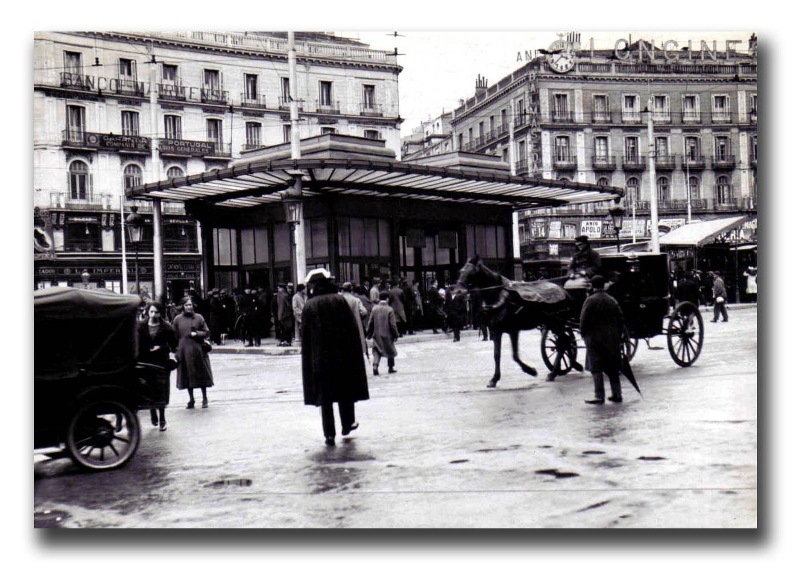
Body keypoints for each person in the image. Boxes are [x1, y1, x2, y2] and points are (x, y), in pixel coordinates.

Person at [301, 268, 369, 446]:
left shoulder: (309, 305)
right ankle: (347, 425)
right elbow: (351, 329)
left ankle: (329, 434)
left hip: (319, 361)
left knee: (325, 399)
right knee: (345, 393)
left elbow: (305, 338)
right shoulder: (339, 300)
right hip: (342, 358)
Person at [580, 275, 625, 405]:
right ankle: (617, 394)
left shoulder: (590, 300)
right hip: (611, 338)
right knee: (612, 367)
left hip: (594, 338)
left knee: (596, 368)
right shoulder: (611, 299)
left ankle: (599, 396)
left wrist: (584, 335)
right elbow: (621, 318)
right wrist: (618, 335)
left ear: (593, 286)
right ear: (604, 285)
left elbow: (584, 320)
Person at [138, 302, 177, 431]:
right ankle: (152, 412)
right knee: (148, 389)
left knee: (161, 390)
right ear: (147, 312)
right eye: (151, 312)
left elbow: (173, 345)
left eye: (156, 312)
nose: (154, 315)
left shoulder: (167, 328)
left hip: (161, 363)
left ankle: (162, 418)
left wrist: (161, 347)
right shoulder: (140, 327)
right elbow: (136, 344)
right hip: (145, 362)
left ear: (160, 313)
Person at [172, 296, 214, 409]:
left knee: (201, 374)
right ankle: (191, 399)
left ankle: (204, 398)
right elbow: (173, 336)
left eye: (190, 305)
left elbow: (207, 332)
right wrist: (176, 349)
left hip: (198, 350)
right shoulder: (177, 320)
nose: (189, 307)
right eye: (187, 305)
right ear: (183, 307)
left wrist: (198, 334)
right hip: (184, 351)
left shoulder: (199, 318)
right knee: (187, 375)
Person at [366, 290, 399, 375]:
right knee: (390, 350)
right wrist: (395, 334)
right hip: (388, 334)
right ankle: (390, 367)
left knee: (377, 350)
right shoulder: (389, 309)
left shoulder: (375, 308)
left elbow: (370, 322)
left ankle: (375, 366)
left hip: (376, 334)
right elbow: (393, 325)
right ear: (387, 299)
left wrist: (368, 333)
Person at [341, 282, 369, 357]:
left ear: (342, 290)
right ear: (351, 290)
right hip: (355, 325)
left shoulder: (339, 299)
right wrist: (359, 318)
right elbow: (364, 312)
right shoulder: (356, 300)